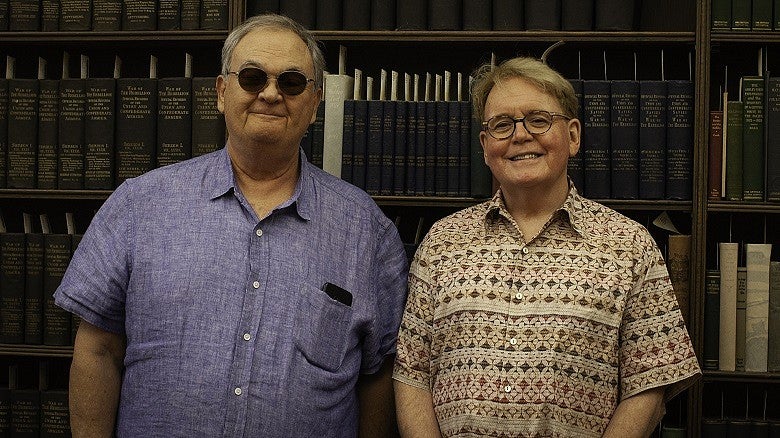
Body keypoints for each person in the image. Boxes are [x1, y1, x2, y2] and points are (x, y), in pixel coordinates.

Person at [55, 14, 408, 437]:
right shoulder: (140, 204)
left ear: (315, 104)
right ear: (222, 92)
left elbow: (377, 374)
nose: (271, 93)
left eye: (292, 81)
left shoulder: (366, 229)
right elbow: (97, 349)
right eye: (252, 77)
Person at [393, 56, 701, 438]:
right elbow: (411, 373)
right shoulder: (441, 242)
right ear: (485, 145)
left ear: (573, 136)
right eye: (502, 125)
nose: (520, 136)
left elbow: (650, 382)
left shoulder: (630, 246)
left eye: (538, 120)